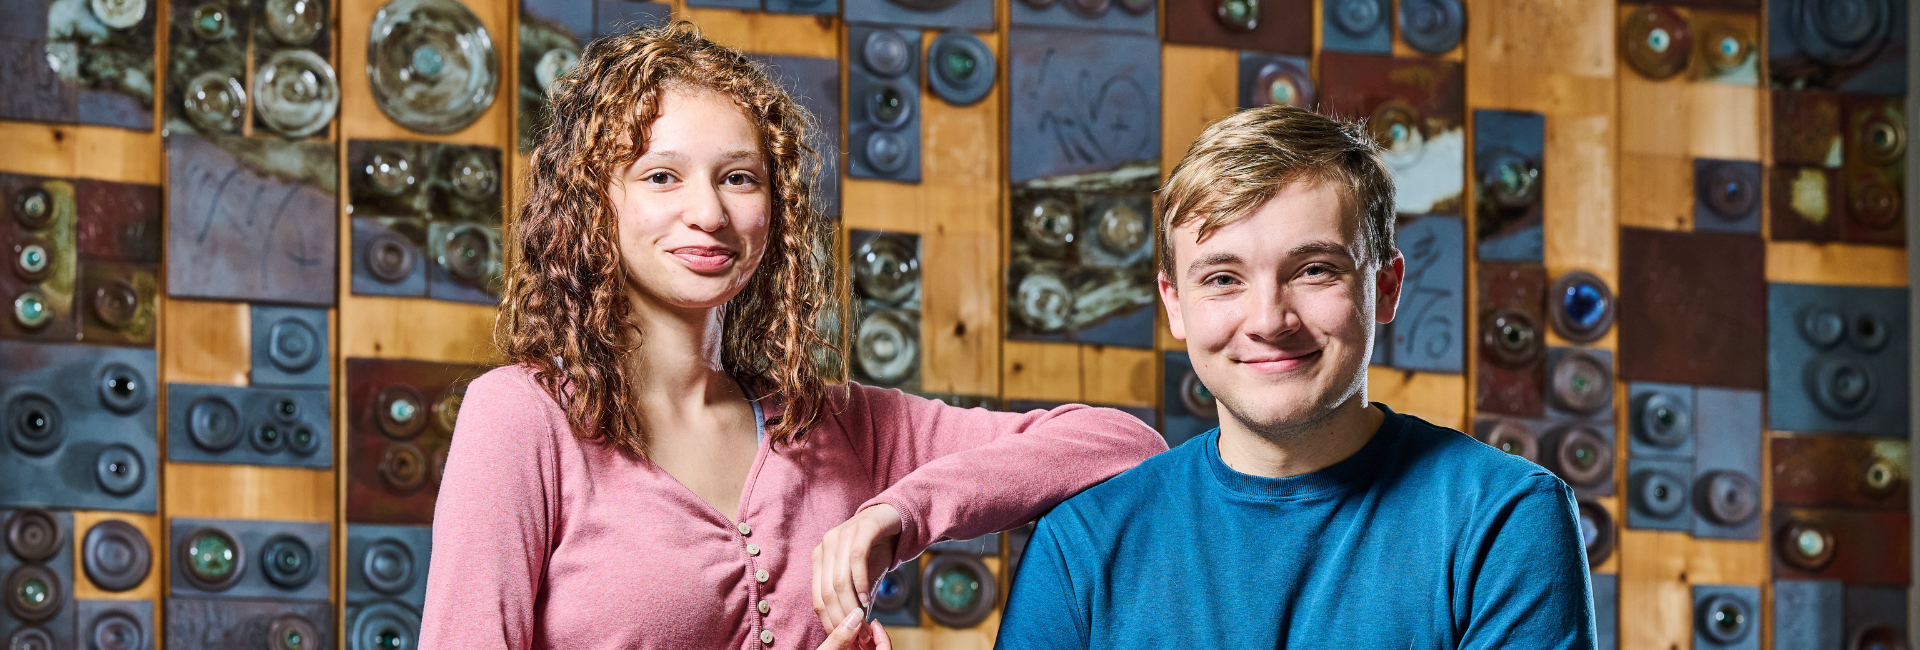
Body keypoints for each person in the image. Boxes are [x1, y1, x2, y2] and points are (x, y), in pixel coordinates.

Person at [418, 22, 1167, 650]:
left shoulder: (835, 423)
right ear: (593, 205)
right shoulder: (522, 419)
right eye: (661, 177)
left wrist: (898, 514)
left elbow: (1121, 446)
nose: (708, 213)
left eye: (739, 178)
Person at [993, 106, 1596, 648]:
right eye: (1222, 279)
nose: (1269, 321)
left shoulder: (1503, 520)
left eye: (1314, 270)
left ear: (1385, 286)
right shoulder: (1083, 545)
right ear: (1175, 304)